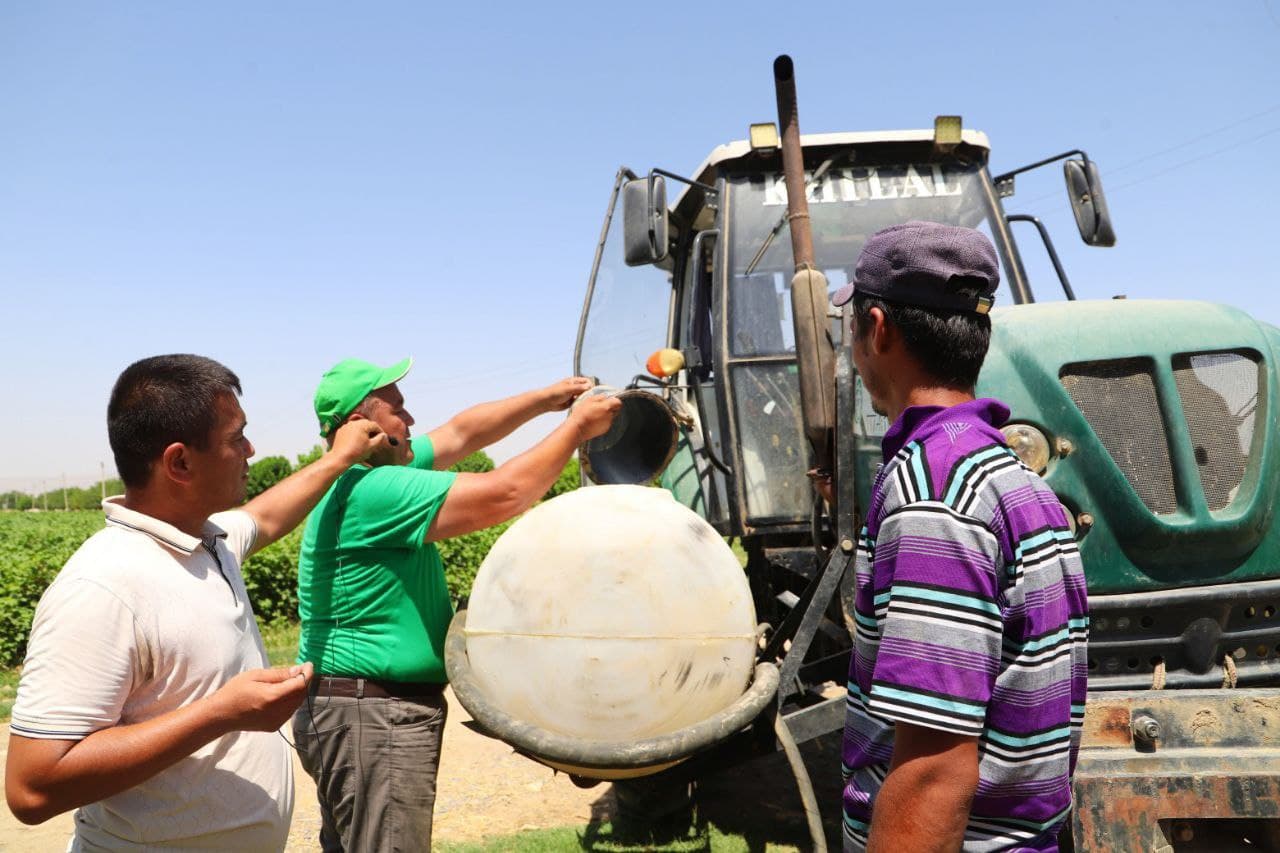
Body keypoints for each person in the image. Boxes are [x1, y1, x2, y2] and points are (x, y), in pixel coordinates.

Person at [5, 354, 389, 850]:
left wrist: (337, 459)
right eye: (236, 438)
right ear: (180, 462)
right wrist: (221, 713)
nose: (252, 449)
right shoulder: (103, 587)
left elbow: (266, 517)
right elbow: (31, 788)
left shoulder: (207, 540)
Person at [291, 358, 619, 852]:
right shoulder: (373, 489)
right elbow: (506, 493)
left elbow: (463, 432)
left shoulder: (366, 475)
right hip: (371, 714)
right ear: (364, 427)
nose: (412, 420)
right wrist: (574, 429)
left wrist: (546, 399)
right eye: (398, 409)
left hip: (358, 708)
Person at [833, 222, 1089, 852]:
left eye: (852, 330)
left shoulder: (934, 495)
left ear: (878, 329)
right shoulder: (1013, 478)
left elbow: (932, 772)